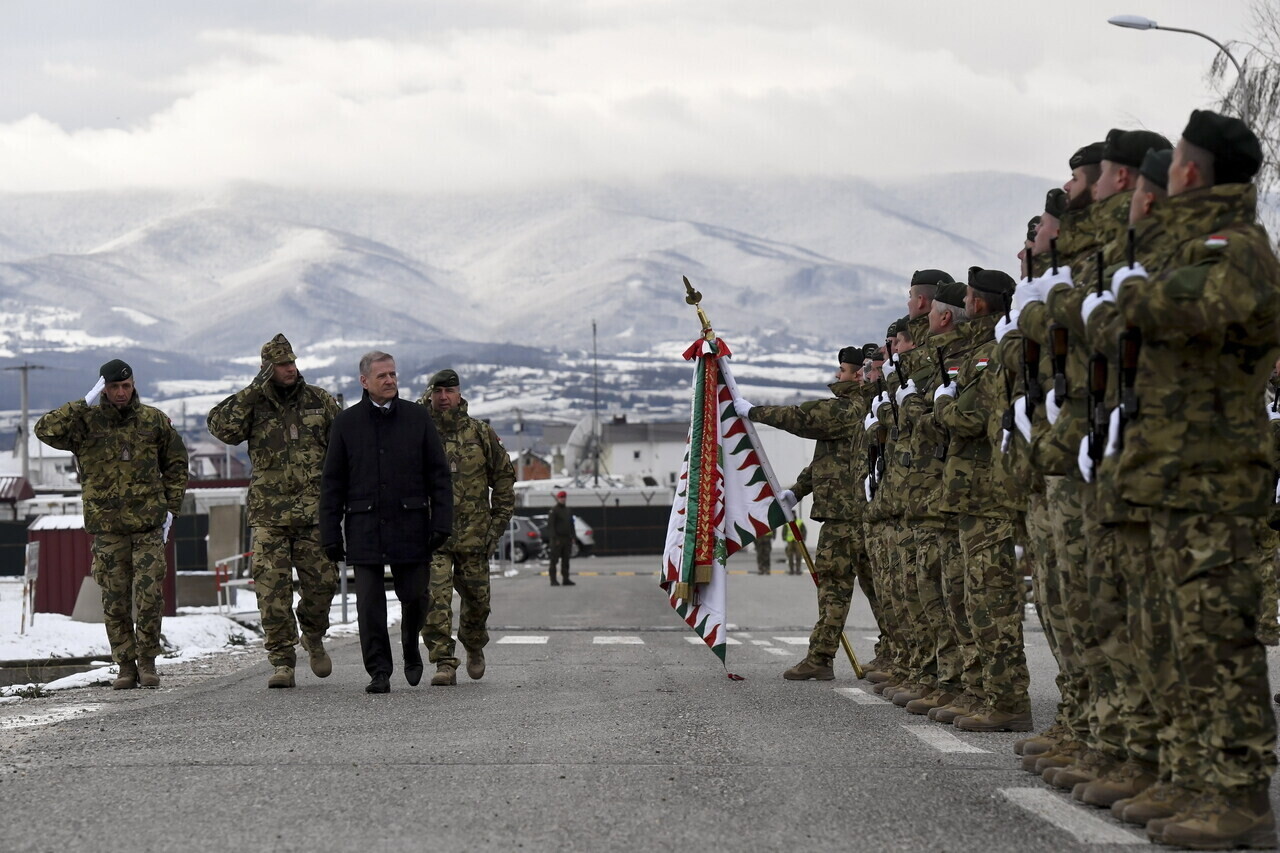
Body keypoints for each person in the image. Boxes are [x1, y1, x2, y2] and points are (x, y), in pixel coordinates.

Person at [1107, 110, 1279, 848]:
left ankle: (1239, 793)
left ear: (1190, 172)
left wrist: (1131, 287)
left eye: (1174, 162)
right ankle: (1187, 772)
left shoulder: (1237, 249)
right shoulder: (1188, 244)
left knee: (1217, 642)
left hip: (1217, 481)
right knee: (1173, 637)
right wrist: (1140, 249)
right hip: (1175, 477)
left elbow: (1200, 310)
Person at [35, 359, 188, 690]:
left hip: (148, 525)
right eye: (114, 387)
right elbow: (44, 429)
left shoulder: (153, 421)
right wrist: (82, 404)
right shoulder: (85, 424)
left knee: (149, 595)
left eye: (126, 386)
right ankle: (125, 666)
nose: (121, 392)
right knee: (115, 599)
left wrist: (171, 509)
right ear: (103, 387)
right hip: (107, 527)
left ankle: (147, 662)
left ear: (133, 385)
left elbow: (176, 463)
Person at [207, 333, 341, 689]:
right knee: (270, 590)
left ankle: (312, 634)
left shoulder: (320, 401)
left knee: (324, 584)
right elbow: (220, 426)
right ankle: (282, 661)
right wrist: (253, 390)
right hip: (270, 516)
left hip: (314, 514)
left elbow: (345, 448)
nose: (290, 369)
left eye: (292, 362)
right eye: (282, 365)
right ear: (267, 368)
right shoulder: (253, 404)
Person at [319, 351, 452, 693]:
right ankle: (379, 670)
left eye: (393, 374)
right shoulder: (346, 424)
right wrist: (331, 532)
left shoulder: (417, 417)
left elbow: (439, 475)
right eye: (382, 376)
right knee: (369, 605)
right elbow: (332, 482)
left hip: (411, 525)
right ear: (364, 381)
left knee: (415, 597)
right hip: (364, 528)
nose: (391, 380)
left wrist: (442, 523)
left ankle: (410, 646)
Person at [734, 347, 863, 681]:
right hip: (857, 514)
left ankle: (821, 658)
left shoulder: (852, 408)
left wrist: (753, 412)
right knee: (878, 590)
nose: (839, 376)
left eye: (844, 370)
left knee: (834, 586)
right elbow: (830, 461)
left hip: (847, 516)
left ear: (859, 374)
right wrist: (797, 491)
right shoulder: (869, 409)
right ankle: (896, 658)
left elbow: (802, 418)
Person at [415, 368, 516, 686]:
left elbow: (503, 477)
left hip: (474, 535)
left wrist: (496, 524)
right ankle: (444, 661)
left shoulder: (480, 433)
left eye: (450, 391)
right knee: (435, 600)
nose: (444, 398)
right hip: (432, 536)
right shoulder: (418, 431)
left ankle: (473, 644)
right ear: (430, 395)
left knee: (477, 602)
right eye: (438, 392)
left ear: (459, 394)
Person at [547, 491, 575, 586]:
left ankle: (566, 579)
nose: (563, 499)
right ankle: (553, 580)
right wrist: (555, 539)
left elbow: (571, 524)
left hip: (567, 539)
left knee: (566, 560)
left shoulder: (568, 510)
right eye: (561, 497)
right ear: (558, 498)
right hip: (557, 540)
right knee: (554, 560)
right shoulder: (554, 510)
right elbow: (551, 526)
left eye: (564, 497)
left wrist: (573, 536)